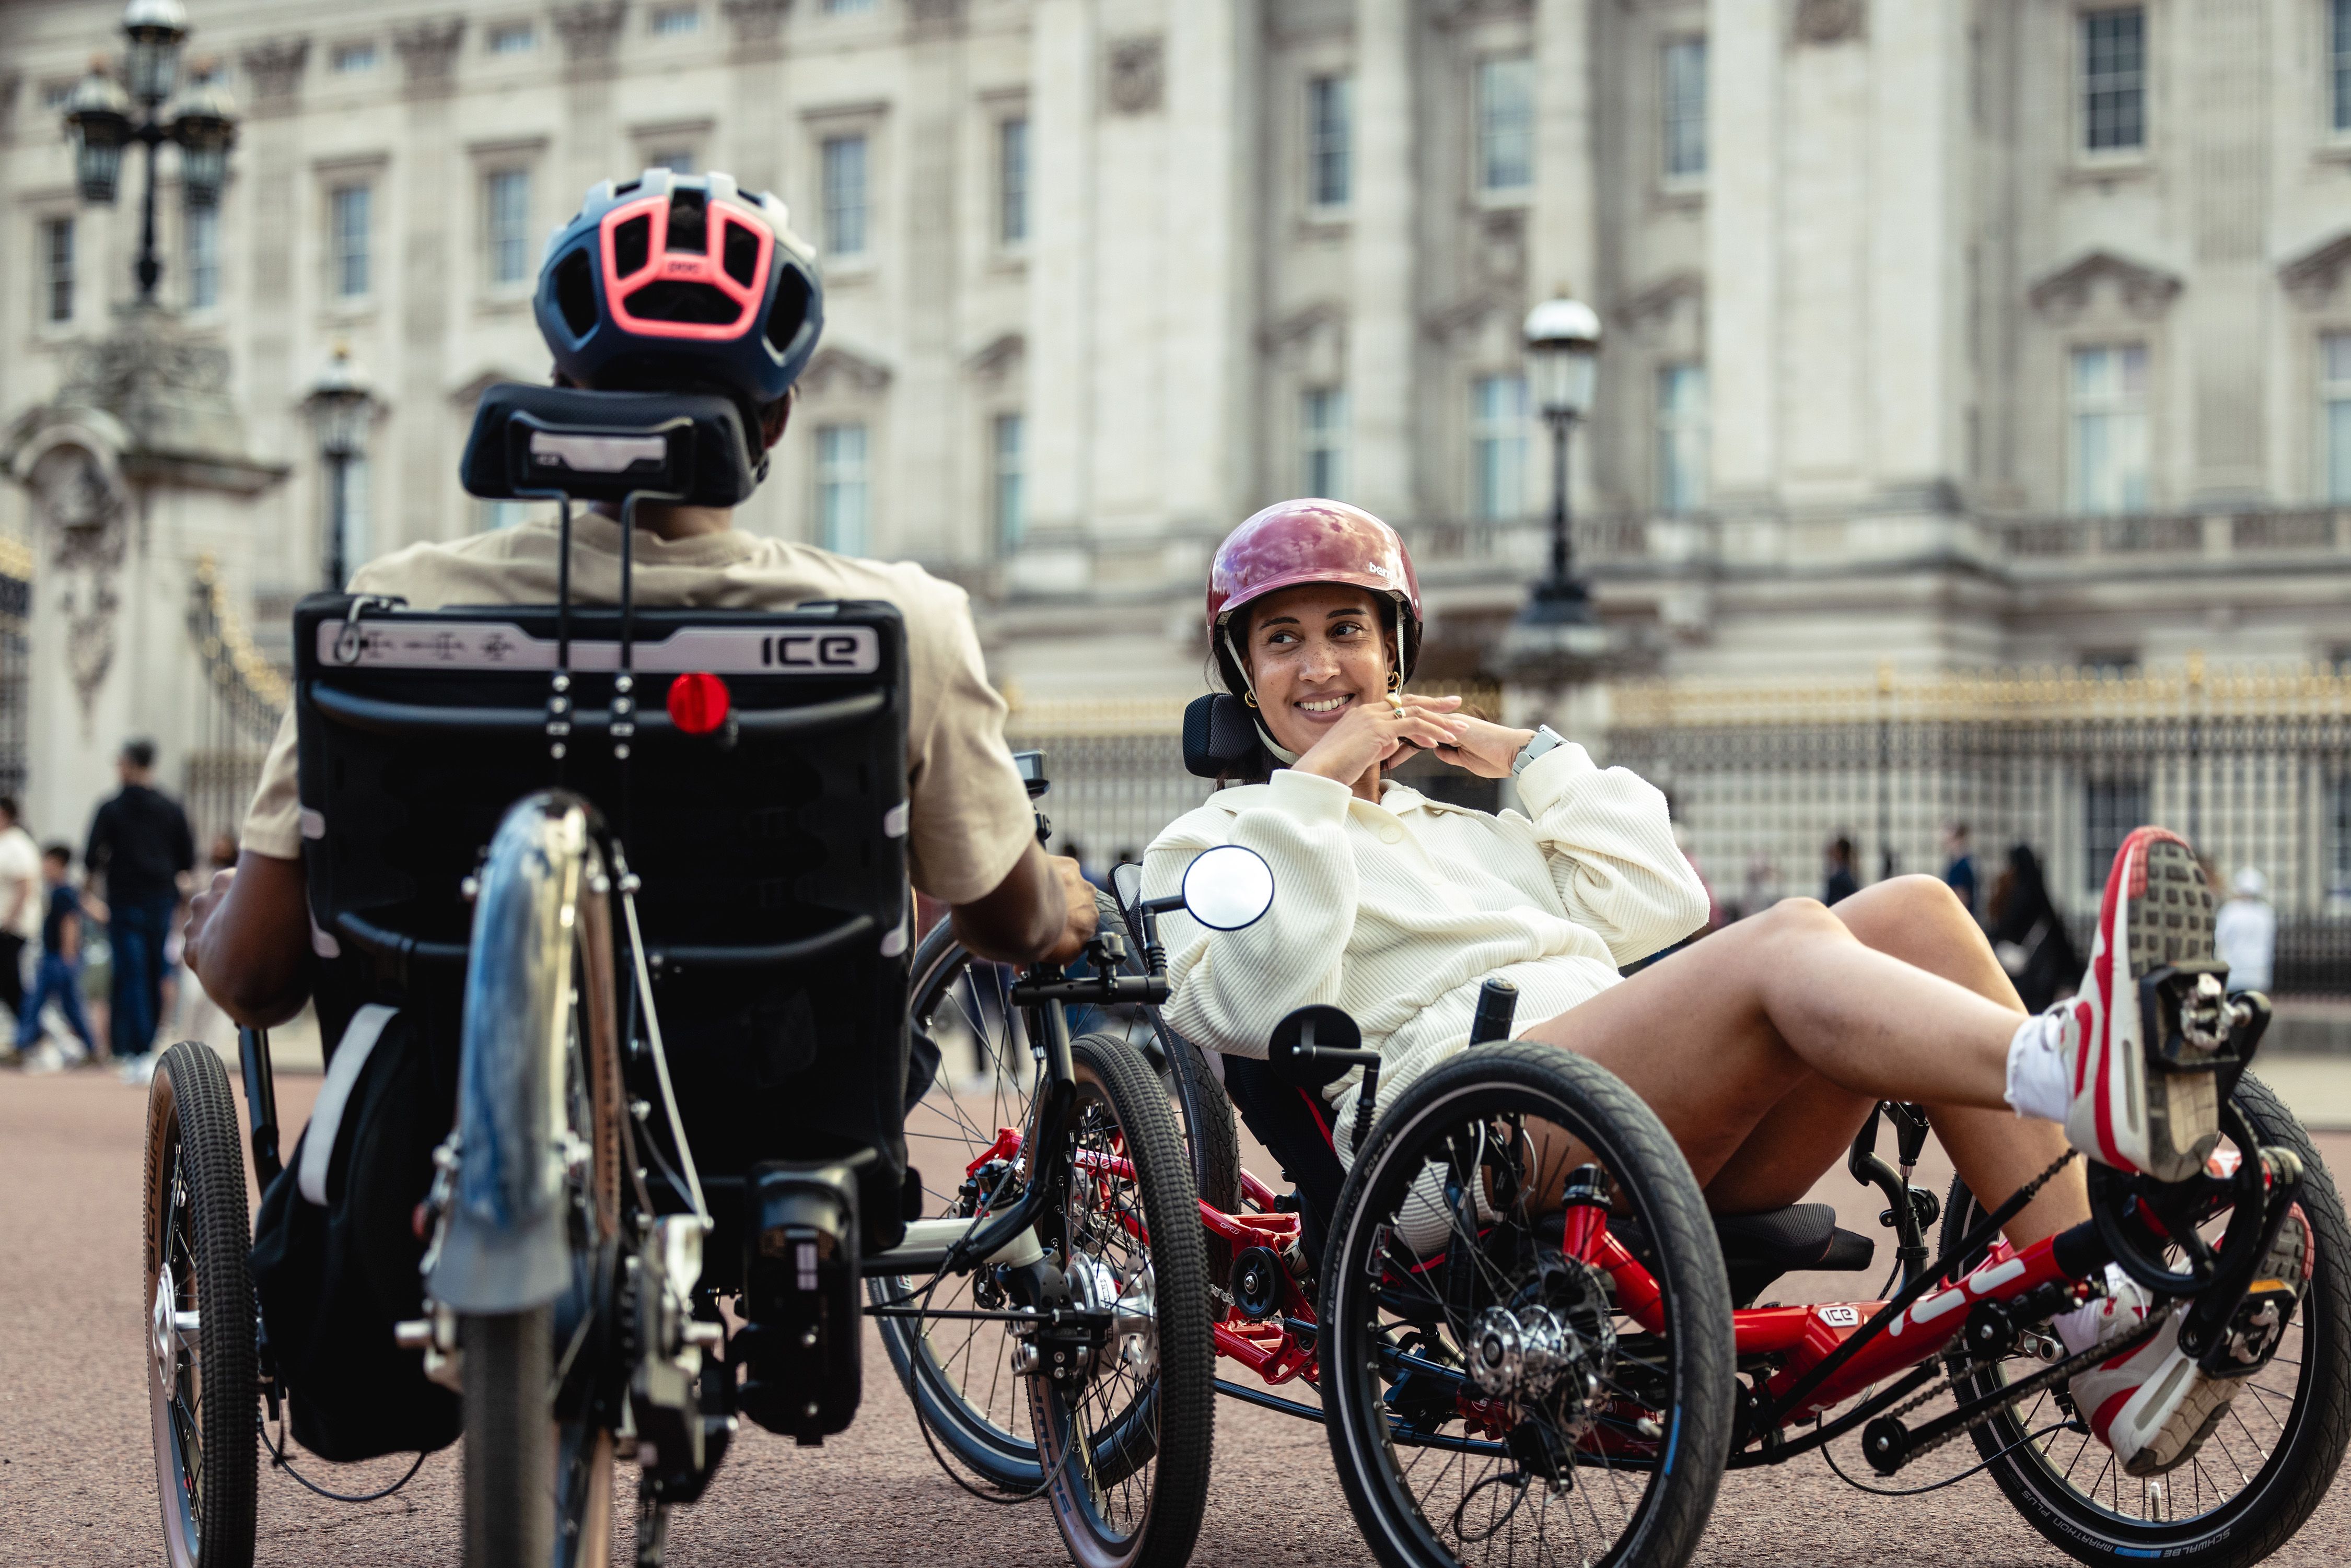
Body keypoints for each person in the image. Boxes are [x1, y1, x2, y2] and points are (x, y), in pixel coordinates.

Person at [1145, 498, 2304, 1479]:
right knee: (1790, 932)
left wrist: (1529, 759)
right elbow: (1245, 1002)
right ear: (1243, 675)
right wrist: (1314, 799)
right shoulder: (1223, 838)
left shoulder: (1470, 823)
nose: (1319, 665)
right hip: (1456, 1143)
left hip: (1626, 1120)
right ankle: (2073, 1067)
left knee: (1911, 911)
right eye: (1281, 640)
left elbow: (1663, 901)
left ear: (1394, 652)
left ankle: (2100, 1336)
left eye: (1346, 630)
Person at [187, 168, 1091, 1037]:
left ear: (559, 388)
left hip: (424, 1137)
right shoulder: (908, 620)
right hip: (790, 1133)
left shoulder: (393, 604)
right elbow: (1005, 928)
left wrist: (210, 920)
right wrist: (1059, 898)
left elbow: (258, 979)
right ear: (775, 419)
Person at [84, 739, 195, 1069]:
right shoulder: (171, 806)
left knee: (131, 970)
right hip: (161, 898)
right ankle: (144, 1045)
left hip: (125, 899)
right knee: (152, 969)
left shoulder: (112, 807)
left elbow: (92, 856)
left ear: (131, 765)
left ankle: (138, 1047)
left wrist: (88, 892)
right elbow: (186, 858)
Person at [16, 844, 100, 1071]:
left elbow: (70, 922)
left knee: (39, 1002)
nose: (44, 868)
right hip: (57, 957)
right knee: (63, 1004)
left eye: (47, 863)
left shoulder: (63, 892)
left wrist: (68, 954)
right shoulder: (63, 890)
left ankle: (22, 1045)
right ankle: (92, 1049)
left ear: (59, 864)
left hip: (59, 957)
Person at [1987, 841, 2081, 1012]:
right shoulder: (2035, 887)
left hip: (2026, 964)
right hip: (2041, 960)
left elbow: (2007, 926)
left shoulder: (2017, 892)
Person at [0, 796, 40, 1039]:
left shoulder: (17, 844)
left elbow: (24, 885)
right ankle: (26, 1034)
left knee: (11, 983)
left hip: (12, 928)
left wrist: (9, 920)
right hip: (6, 925)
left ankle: (32, 1034)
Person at [2215, 866, 2277, 996]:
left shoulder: (2230, 911)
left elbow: (2219, 939)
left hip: (2233, 971)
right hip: (2257, 972)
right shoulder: (2266, 912)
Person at [1941, 821, 1977, 917]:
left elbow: (1962, 896)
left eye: (1950, 840)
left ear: (1959, 839)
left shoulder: (1962, 866)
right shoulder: (1956, 863)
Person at [1822, 834, 1859, 905]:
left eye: (1836, 851)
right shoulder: (1849, 874)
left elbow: (1832, 903)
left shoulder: (1840, 878)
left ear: (1840, 853)